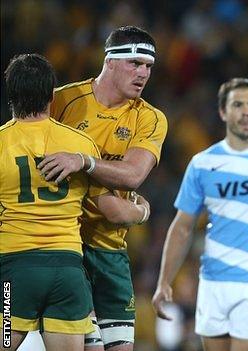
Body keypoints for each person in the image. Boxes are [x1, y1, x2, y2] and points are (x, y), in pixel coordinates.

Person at [0, 54, 149, 351]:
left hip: (16, 274)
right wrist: (143, 211)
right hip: (67, 274)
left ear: (11, 95)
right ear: (52, 95)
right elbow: (113, 212)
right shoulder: (80, 145)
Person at [36, 26, 168, 350]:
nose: (143, 73)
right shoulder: (63, 100)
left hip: (112, 251)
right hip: (68, 246)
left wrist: (85, 163)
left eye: (149, 67)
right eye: (135, 63)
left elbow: (133, 175)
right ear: (109, 61)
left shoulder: (151, 118)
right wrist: (139, 211)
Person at [152, 78, 248, 351]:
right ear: (223, 112)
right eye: (238, 105)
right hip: (212, 282)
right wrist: (164, 281)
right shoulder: (203, 163)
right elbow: (182, 227)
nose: (246, 111)